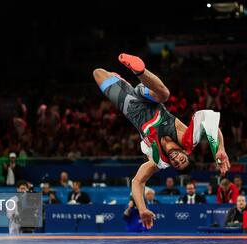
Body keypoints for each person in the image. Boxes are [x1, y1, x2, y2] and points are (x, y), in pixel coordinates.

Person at [93, 53, 230, 229]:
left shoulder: (159, 161)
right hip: (150, 97)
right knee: (165, 94)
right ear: (185, 153)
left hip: (129, 106)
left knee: (97, 72)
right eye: (182, 160)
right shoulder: (186, 139)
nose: (176, 160)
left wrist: (142, 209)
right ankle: (139, 71)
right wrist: (220, 148)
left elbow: (137, 182)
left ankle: (121, 79)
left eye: (176, 164)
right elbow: (208, 121)